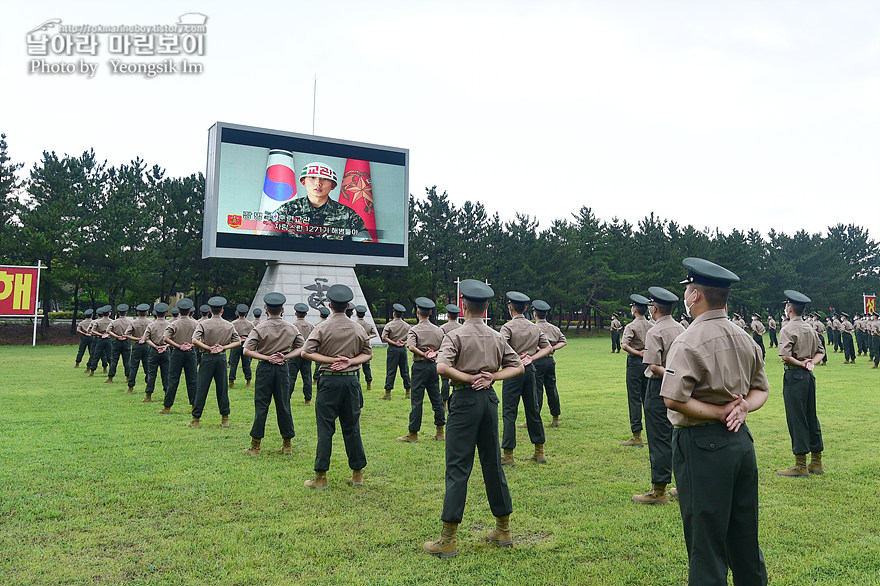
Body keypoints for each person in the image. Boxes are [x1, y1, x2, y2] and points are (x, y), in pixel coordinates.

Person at [660, 257, 769, 586]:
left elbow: (673, 398)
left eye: (688, 291)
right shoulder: (744, 337)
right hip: (741, 444)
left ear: (695, 295)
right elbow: (761, 390)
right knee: (745, 537)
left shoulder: (688, 340)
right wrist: (743, 408)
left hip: (702, 446)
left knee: (706, 544)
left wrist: (721, 412)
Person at [424, 279, 523, 559]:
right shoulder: (496, 335)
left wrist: (469, 378)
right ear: (487, 307)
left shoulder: (454, 335)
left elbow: (442, 367)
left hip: (465, 401)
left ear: (464, 305)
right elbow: (517, 368)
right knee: (493, 464)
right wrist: (491, 377)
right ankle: (503, 529)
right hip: (489, 401)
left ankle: (448, 540)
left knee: (458, 467)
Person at [301, 284, 372, 489]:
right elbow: (368, 353)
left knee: (325, 429)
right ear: (348, 305)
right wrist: (349, 361)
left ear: (330, 305)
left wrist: (328, 359)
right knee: (352, 428)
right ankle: (357, 474)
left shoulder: (321, 327)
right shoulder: (358, 327)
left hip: (329, 380)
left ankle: (321, 477)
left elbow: (306, 352)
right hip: (351, 381)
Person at [632, 286, 685, 505]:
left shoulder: (655, 331)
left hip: (659, 387)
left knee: (658, 438)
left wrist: (671, 375)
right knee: (677, 436)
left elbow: (653, 366)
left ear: (653, 308)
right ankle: (683, 485)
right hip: (680, 389)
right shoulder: (682, 328)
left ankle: (659, 490)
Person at [241, 292, 304, 456]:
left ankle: (255, 446)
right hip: (283, 368)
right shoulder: (291, 327)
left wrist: (267, 357)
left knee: (261, 405)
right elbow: (302, 348)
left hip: (265, 369)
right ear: (282, 309)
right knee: (283, 404)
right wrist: (285, 356)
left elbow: (247, 350)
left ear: (266, 309)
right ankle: (287, 444)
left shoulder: (259, 327)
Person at [776, 290, 826, 477]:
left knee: (796, 418)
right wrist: (811, 362)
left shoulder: (788, 328)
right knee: (810, 416)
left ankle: (800, 464)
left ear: (789, 308)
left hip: (795, 376)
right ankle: (816, 461)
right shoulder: (810, 328)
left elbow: (785, 356)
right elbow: (821, 352)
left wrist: (801, 363)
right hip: (808, 378)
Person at [499, 291, 552, 465]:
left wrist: (514, 359)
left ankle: (508, 455)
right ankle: (539, 452)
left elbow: (501, 348)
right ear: (526, 308)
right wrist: (531, 357)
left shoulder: (507, 328)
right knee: (533, 410)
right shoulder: (534, 327)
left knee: (509, 413)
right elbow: (548, 348)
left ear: (510, 308)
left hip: (512, 372)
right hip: (530, 371)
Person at [273, 162, 369, 240]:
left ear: (333, 186)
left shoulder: (348, 214)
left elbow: (365, 244)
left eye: (325, 179)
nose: (318, 183)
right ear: (303, 182)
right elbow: (267, 240)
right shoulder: (287, 210)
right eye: (312, 177)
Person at [398, 297, 446, 443]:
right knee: (436, 398)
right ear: (430, 312)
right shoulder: (438, 330)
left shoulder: (414, 330)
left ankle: (413, 433)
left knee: (417, 400)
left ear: (418, 312)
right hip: (433, 366)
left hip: (419, 367)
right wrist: (433, 353)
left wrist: (423, 354)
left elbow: (411, 347)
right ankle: (440, 431)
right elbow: (443, 347)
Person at [188, 296, 241, 428]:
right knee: (222, 388)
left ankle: (196, 419)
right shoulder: (229, 325)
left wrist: (208, 347)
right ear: (222, 310)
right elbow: (238, 342)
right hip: (221, 358)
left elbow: (194, 340)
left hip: (206, 358)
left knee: (202, 388)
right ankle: (225, 418)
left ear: (210, 310)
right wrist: (223, 347)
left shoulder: (203, 324)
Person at [620, 294, 652, 446]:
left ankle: (637, 436)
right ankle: (652, 433)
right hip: (649, 363)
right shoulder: (652, 325)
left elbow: (624, 345)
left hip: (635, 363)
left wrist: (637, 353)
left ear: (634, 309)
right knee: (648, 399)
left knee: (634, 399)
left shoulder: (631, 326)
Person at [159, 298, 199, 414]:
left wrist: (178, 346)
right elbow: (200, 338)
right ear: (190, 311)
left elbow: (166, 338)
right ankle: (193, 406)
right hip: (191, 353)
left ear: (179, 311)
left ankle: (167, 407)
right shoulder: (196, 323)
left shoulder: (173, 323)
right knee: (192, 380)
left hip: (176, 353)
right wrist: (190, 345)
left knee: (172, 379)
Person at [532, 300, 567, 428]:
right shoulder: (554, 328)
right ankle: (555, 418)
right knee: (552, 388)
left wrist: (540, 350)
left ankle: (534, 418)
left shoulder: (533, 328)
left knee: (537, 391)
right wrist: (552, 348)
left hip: (537, 361)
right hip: (550, 361)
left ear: (535, 314)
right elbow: (563, 341)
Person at [141, 303, 171, 403]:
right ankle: (167, 394)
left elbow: (146, 339)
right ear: (166, 313)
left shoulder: (151, 325)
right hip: (166, 351)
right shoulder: (170, 324)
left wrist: (156, 346)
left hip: (154, 351)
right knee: (166, 374)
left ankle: (148, 395)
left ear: (155, 313)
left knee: (151, 373)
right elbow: (172, 339)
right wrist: (165, 346)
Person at [381, 303, 411, 400]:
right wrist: (403, 342)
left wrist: (394, 342)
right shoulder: (407, 326)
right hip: (403, 349)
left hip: (393, 350)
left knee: (391, 371)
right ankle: (408, 392)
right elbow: (411, 338)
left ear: (394, 313)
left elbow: (384, 337)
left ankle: (388, 393)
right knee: (405, 370)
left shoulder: (389, 325)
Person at [288, 303, 315, 405]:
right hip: (307, 352)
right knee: (307, 376)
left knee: (291, 377)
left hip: (295, 352)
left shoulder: (292, 326)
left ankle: (287, 398)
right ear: (306, 314)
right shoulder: (311, 326)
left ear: (295, 313)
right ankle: (307, 400)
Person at [124, 304, 152, 394]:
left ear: (138, 312)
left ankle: (130, 387)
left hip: (137, 346)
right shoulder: (151, 322)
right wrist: (145, 339)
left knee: (134, 367)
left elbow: (126, 334)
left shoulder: (133, 323)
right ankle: (149, 386)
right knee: (147, 367)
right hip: (148, 346)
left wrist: (137, 339)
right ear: (147, 312)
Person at [439, 304, 462, 409]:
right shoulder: (462, 327)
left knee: (445, 381)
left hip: (446, 357)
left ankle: (444, 402)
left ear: (448, 315)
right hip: (459, 358)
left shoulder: (442, 328)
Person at [228, 304, 254, 389]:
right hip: (246, 345)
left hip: (236, 344)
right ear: (246, 314)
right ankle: (248, 382)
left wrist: (238, 338)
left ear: (238, 313)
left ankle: (231, 382)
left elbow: (229, 335)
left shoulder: (233, 324)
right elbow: (253, 336)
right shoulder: (250, 324)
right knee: (246, 364)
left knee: (233, 364)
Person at [105, 304, 133, 384]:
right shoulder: (130, 322)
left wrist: (116, 336)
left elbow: (108, 330)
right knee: (127, 360)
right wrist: (126, 336)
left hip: (117, 342)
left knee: (114, 360)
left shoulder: (114, 322)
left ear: (119, 312)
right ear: (126, 313)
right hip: (126, 341)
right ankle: (128, 377)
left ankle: (110, 377)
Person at [354, 305, 378, 390]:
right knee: (366, 367)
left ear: (356, 314)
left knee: (355, 366)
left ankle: (357, 382)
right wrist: (367, 337)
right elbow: (374, 334)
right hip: (366, 348)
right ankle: (369, 384)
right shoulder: (368, 325)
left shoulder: (354, 324)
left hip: (356, 347)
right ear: (364, 314)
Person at [85, 306, 112, 376]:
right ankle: (110, 370)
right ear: (109, 313)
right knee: (110, 356)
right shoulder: (112, 321)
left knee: (96, 355)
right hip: (108, 339)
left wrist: (100, 335)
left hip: (99, 339)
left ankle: (92, 371)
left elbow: (92, 331)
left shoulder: (97, 321)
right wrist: (108, 334)